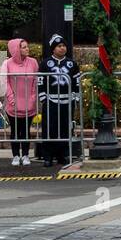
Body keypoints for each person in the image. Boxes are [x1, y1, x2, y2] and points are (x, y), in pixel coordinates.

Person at [38, 34, 80, 166]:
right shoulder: (45, 64)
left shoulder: (72, 63)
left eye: (64, 46)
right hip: (51, 101)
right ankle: (48, 157)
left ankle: (63, 155)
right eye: (59, 46)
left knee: (65, 129)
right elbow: (40, 82)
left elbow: (76, 82)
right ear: (53, 49)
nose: (62, 48)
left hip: (67, 102)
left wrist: (75, 97)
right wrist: (43, 97)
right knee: (50, 129)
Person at [0, 38, 38, 166]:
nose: (27, 49)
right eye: (23, 47)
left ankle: (26, 155)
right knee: (15, 131)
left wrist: (33, 98)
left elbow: (36, 81)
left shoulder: (33, 62)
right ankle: (16, 155)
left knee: (26, 130)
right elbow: (5, 82)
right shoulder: (7, 63)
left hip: (29, 103)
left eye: (27, 46)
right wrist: (11, 99)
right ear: (16, 49)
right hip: (13, 104)